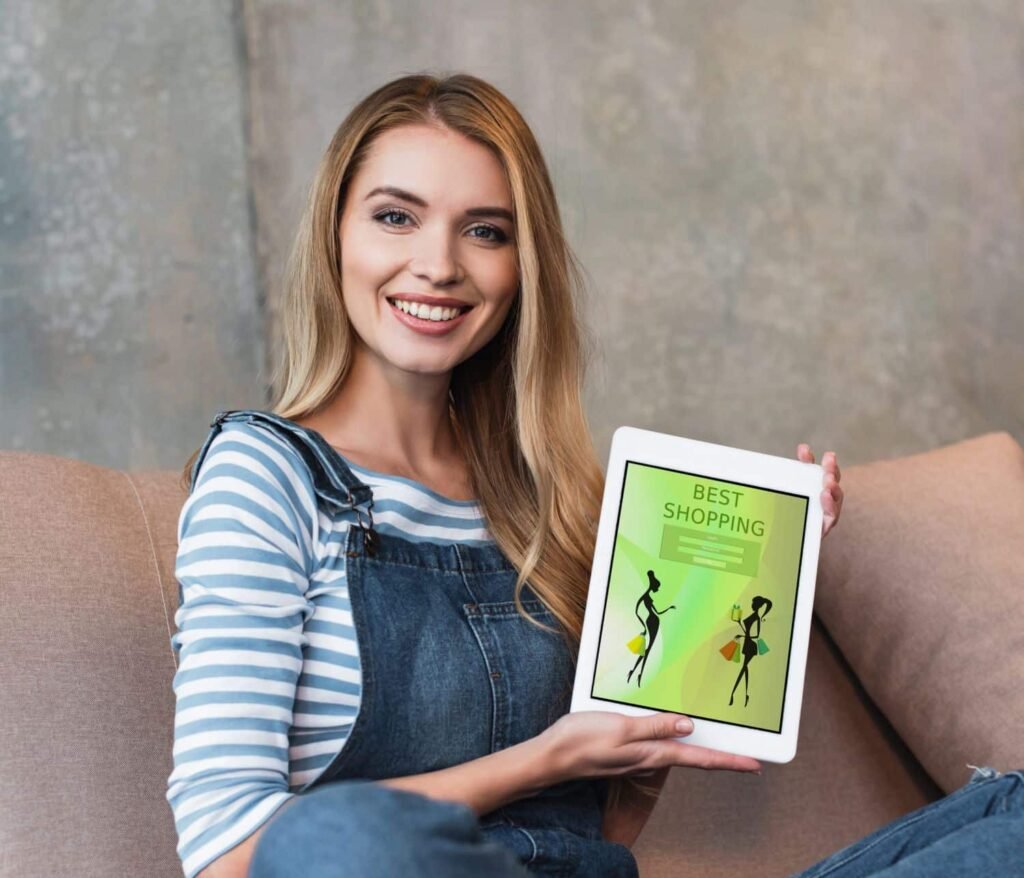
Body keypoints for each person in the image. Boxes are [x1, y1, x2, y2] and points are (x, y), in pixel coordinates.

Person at [165, 72, 1019, 878]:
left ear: (520, 268)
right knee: (336, 831)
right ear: (335, 235)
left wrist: (747, 583)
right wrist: (549, 754)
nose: (439, 264)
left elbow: (593, 839)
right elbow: (229, 852)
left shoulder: (548, 497)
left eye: (485, 230)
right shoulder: (266, 474)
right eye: (396, 217)